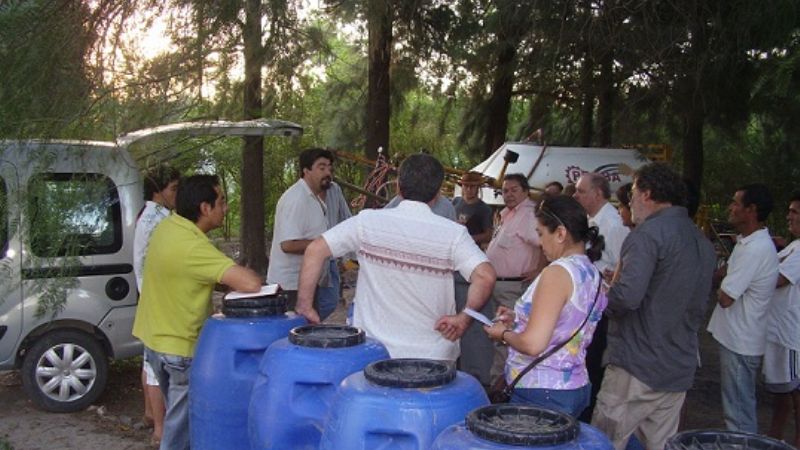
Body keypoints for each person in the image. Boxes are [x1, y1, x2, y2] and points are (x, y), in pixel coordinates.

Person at [295, 154, 496, 360]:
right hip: (431, 359)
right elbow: (485, 276)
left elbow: (315, 250)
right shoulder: (454, 234)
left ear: (398, 187)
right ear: (437, 194)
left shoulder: (366, 223)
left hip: (371, 353)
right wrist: (464, 319)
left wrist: (305, 305)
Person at [591, 163, 716, 450]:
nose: (629, 201)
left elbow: (626, 298)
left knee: (605, 443)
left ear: (646, 194)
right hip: (676, 366)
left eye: (633, 193)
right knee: (660, 445)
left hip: (636, 365)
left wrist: (601, 293)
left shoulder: (647, 234)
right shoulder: (701, 241)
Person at [133, 175, 262, 450]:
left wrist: (218, 280)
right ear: (205, 208)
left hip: (154, 340)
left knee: (179, 421)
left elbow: (184, 273)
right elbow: (251, 284)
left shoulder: (168, 227)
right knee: (179, 434)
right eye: (222, 202)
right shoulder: (195, 247)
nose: (225, 208)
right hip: (180, 349)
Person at [484, 196, 607, 417]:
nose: (539, 243)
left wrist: (503, 334)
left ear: (560, 233)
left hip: (541, 389)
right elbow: (566, 321)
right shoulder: (591, 271)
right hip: (575, 385)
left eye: (541, 233)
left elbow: (532, 344)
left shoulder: (557, 272)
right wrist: (519, 318)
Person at [707, 183, 779, 433]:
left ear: (751, 210)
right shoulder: (746, 243)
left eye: (736, 203)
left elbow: (726, 297)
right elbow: (725, 274)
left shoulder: (756, 249)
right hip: (737, 338)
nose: (731, 208)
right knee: (737, 407)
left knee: (739, 414)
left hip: (740, 342)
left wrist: (720, 287)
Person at [572, 172, 630, 421]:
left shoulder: (613, 225)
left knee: (593, 362)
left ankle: (588, 413)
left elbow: (622, 265)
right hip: (585, 302)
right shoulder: (590, 219)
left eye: (580, 191)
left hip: (601, 305)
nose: (575, 195)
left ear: (598, 193)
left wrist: (611, 277)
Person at [133, 165, 179, 446]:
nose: (177, 194)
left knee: (149, 358)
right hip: (158, 297)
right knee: (155, 366)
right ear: (157, 190)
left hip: (147, 295)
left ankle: (150, 414)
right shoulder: (159, 219)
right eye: (173, 188)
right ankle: (160, 430)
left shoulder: (146, 214)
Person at [486, 173, 547, 385]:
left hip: (513, 287)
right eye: (505, 190)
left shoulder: (528, 214)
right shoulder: (509, 214)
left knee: (506, 337)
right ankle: (498, 385)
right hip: (500, 285)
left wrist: (539, 269)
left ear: (525, 191)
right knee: (499, 338)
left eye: (514, 190)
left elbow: (544, 243)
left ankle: (502, 388)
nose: (509, 194)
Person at [267, 148, 339, 319]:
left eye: (329, 168)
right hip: (290, 287)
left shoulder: (314, 197)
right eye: (321, 168)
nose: (328, 172)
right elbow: (288, 244)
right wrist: (322, 246)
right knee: (296, 336)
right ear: (306, 171)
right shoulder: (296, 198)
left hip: (307, 283)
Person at [764, 192, 800, 447]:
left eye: (795, 212)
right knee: (781, 391)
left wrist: (759, 263)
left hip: (791, 333)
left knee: (795, 391)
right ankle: (774, 437)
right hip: (778, 331)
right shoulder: (793, 246)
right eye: (789, 210)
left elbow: (777, 279)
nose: (789, 216)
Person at [452, 171, 495, 385]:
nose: (468, 189)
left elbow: (488, 234)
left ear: (478, 188)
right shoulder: (455, 203)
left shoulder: (483, 209)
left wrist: (467, 239)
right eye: (465, 185)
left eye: (472, 186)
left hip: (471, 264)